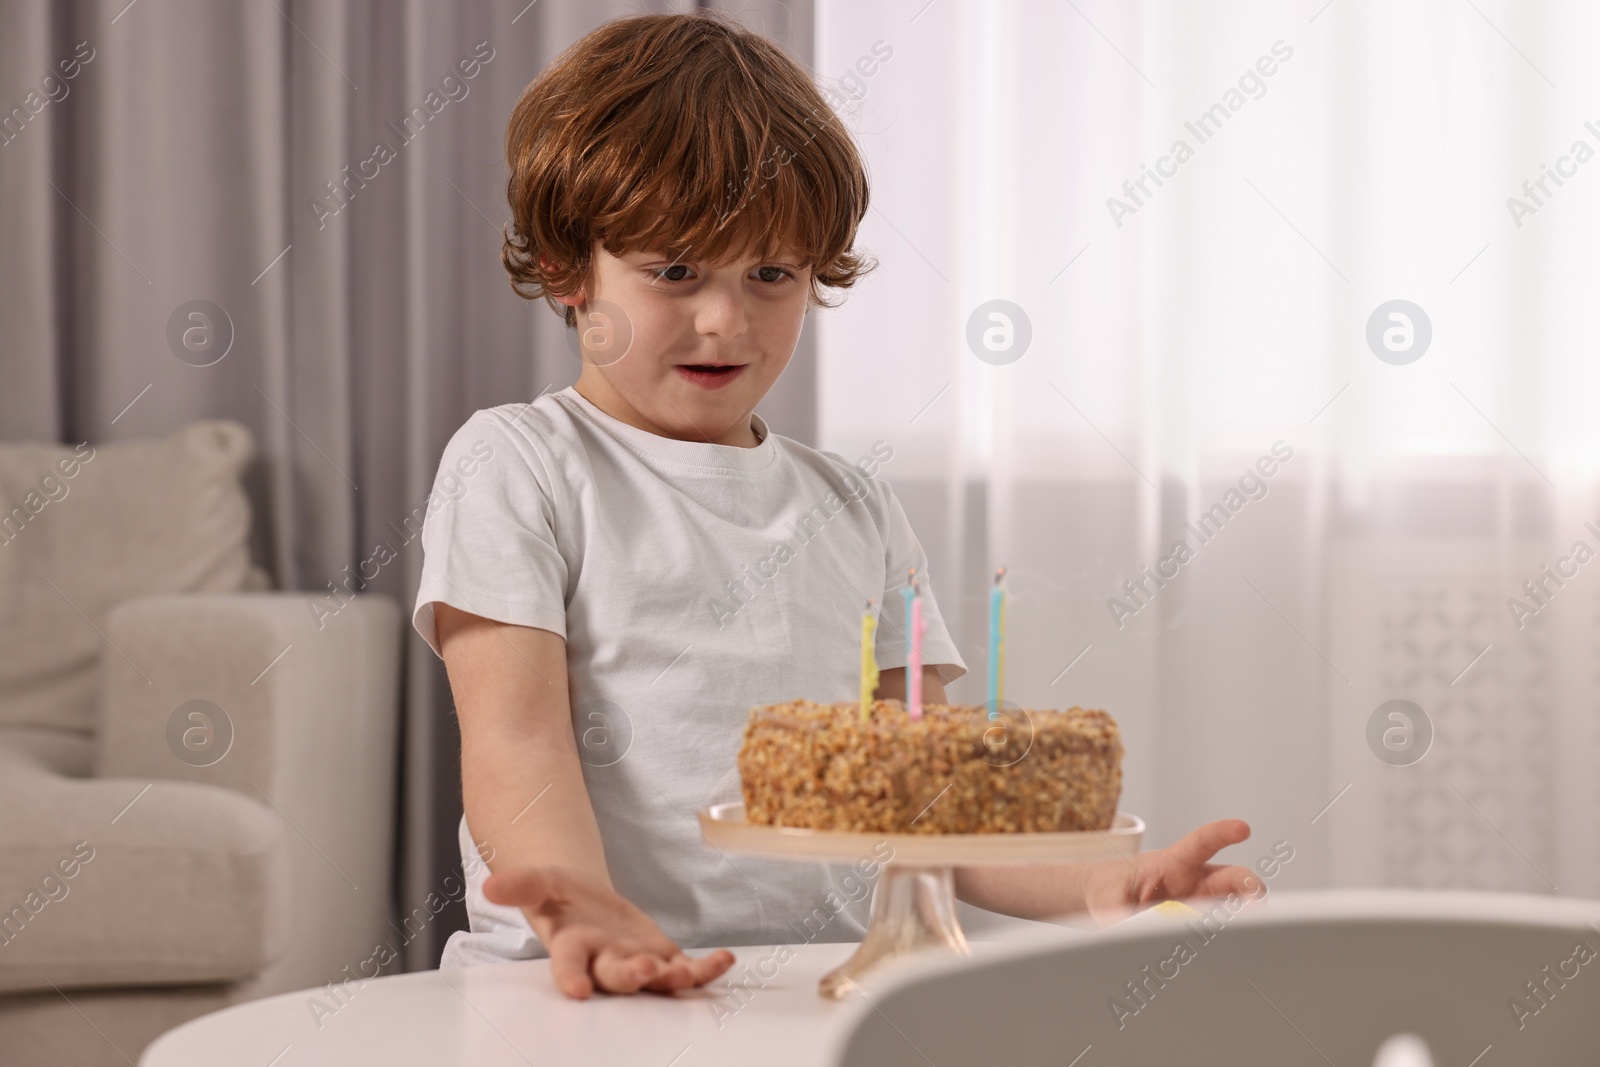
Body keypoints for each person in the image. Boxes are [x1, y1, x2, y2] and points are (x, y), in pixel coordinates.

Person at [412, 10, 1260, 1001]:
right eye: (673, 270)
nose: (724, 319)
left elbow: (928, 804)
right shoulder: (517, 462)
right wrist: (585, 906)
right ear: (565, 267)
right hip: (572, 979)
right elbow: (516, 737)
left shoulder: (852, 506)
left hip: (814, 988)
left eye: (769, 273)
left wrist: (1104, 884)